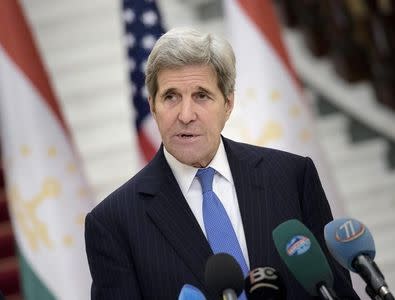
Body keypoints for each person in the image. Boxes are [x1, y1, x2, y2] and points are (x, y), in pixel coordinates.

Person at [84, 27, 360, 300]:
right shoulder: (113, 224)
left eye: (201, 96)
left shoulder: (291, 177)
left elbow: (336, 292)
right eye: (170, 97)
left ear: (228, 104)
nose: (186, 114)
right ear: (153, 106)